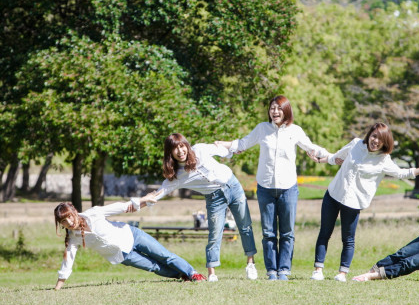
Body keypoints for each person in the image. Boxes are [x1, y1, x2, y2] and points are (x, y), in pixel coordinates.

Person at [215, 95, 330, 280]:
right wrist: (224, 144)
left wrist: (331, 156)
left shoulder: (295, 131)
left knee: (287, 232)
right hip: (266, 188)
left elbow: (311, 148)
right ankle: (271, 271)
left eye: (279, 108)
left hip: (288, 189)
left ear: (286, 110)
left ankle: (283, 270)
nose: (275, 111)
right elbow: (243, 144)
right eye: (272, 108)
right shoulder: (262, 129)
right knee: (268, 232)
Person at [308, 122, 419, 282]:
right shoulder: (355, 144)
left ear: (385, 142)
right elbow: (336, 158)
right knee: (324, 233)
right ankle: (318, 270)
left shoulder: (384, 160)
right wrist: (320, 160)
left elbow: (403, 173)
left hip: (354, 202)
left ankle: (342, 273)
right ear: (369, 135)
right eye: (374, 136)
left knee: (348, 239)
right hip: (333, 194)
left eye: (380, 139)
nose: (376, 141)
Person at [149, 133, 257, 282]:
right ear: (170, 153)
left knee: (245, 226)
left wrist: (232, 149)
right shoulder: (177, 176)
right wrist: (137, 203)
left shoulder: (199, 149)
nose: (180, 151)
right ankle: (212, 272)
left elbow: (220, 149)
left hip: (233, 186)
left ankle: (250, 264)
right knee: (214, 234)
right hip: (214, 198)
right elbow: (159, 193)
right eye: (175, 149)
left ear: (186, 145)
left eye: (181, 146)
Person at [54, 195, 206, 290]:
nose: (68, 222)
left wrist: (142, 201)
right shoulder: (73, 237)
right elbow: (68, 259)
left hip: (133, 235)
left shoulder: (93, 213)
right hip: (122, 255)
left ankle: (193, 274)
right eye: (63, 221)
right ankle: (183, 275)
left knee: (165, 255)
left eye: (69, 217)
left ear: (74, 212)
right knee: (155, 267)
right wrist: (59, 285)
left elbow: (120, 207)